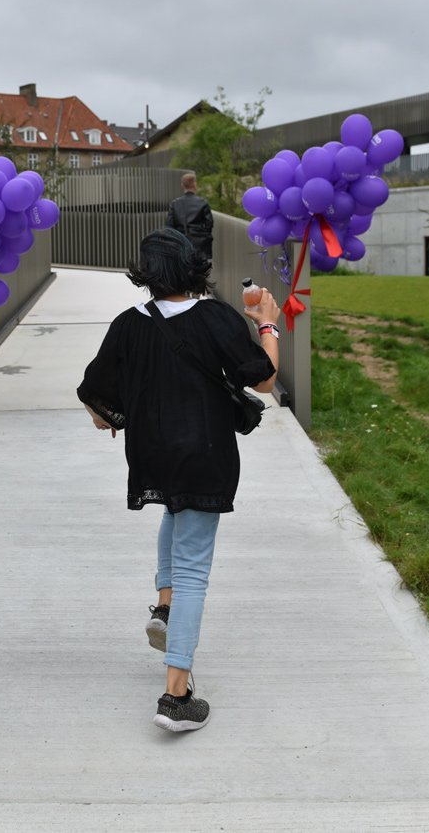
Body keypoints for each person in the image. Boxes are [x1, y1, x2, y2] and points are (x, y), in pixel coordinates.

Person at [76, 228, 282, 732]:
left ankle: (164, 610)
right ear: (194, 268)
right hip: (204, 452)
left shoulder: (128, 324)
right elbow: (264, 378)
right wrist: (269, 326)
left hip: (151, 451)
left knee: (173, 510)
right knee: (194, 565)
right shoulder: (215, 317)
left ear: (145, 275)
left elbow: (96, 398)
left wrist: (118, 417)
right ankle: (176, 695)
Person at [165, 172, 213, 262]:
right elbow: (209, 225)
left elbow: (169, 227)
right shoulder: (203, 203)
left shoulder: (175, 204)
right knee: (201, 273)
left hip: (181, 246)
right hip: (201, 247)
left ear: (182, 185)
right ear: (195, 184)